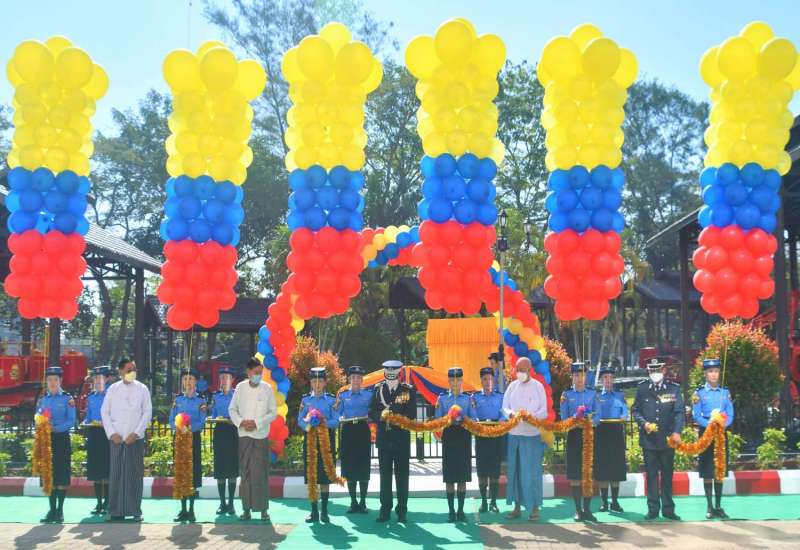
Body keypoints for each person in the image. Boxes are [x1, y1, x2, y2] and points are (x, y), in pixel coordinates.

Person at [632, 358, 684, 521]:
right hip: (649, 441)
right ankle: (653, 509)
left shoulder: (673, 388)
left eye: (657, 370)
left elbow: (679, 413)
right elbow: (635, 410)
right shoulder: (642, 388)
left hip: (668, 440)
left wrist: (677, 432)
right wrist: (644, 423)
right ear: (648, 371)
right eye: (651, 370)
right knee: (652, 476)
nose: (654, 373)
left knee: (667, 476)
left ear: (664, 370)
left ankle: (668, 509)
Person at [101, 358, 151, 522]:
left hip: (134, 439)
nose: (132, 372)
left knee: (134, 474)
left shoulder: (142, 389)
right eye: (129, 370)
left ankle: (135, 510)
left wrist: (136, 433)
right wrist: (112, 433)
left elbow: (147, 413)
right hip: (116, 438)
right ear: (121, 371)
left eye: (134, 369)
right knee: (115, 474)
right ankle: (115, 511)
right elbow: (104, 412)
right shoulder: (113, 389)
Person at [368, 359, 417, 523]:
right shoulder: (378, 389)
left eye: (393, 371)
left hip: (401, 439)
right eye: (388, 371)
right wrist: (381, 416)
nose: (390, 374)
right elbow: (371, 411)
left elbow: (411, 414)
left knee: (402, 477)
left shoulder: (407, 390)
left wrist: (395, 417)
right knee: (385, 476)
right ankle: (385, 510)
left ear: (399, 373)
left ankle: (402, 511)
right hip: (384, 440)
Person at [229, 357, 277, 522]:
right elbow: (232, 409)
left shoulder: (267, 388)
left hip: (260, 436)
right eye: (256, 372)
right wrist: (242, 422)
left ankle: (263, 510)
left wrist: (256, 423)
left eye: (260, 373)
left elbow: (273, 413)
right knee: (246, 473)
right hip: (244, 436)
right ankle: (246, 510)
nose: (258, 375)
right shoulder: (240, 388)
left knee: (260, 473)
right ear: (248, 372)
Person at [502, 357, 548, 521]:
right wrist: (511, 415)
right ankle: (516, 507)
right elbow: (504, 407)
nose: (519, 373)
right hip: (514, 435)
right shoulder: (512, 386)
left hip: (532, 436)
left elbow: (544, 411)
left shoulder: (538, 387)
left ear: (530, 370)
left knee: (532, 473)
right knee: (515, 472)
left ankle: (535, 508)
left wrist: (530, 417)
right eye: (517, 370)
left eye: (522, 370)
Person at [692, 358, 734, 520]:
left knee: (719, 470)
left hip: (720, 434)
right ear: (705, 374)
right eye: (710, 371)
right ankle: (709, 506)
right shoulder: (699, 394)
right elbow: (697, 416)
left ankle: (718, 505)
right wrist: (710, 425)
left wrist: (723, 424)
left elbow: (730, 414)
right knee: (707, 470)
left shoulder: (725, 393)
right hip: (706, 434)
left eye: (716, 371)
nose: (714, 374)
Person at [298, 367, 339, 523]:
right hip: (311, 441)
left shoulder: (331, 400)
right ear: (310, 383)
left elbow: (336, 420)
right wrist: (309, 425)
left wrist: (323, 423)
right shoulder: (305, 400)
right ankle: (314, 512)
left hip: (326, 441)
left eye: (320, 381)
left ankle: (325, 512)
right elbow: (300, 420)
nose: (317, 384)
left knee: (325, 477)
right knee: (312, 476)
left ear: (325, 382)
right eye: (314, 381)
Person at [434, 367, 476, 522]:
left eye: (458, 380)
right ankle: (451, 511)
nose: (455, 383)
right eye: (452, 380)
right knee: (450, 477)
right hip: (449, 438)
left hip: (463, 437)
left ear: (461, 381)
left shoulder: (468, 399)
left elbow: (474, 418)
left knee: (462, 477)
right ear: (449, 381)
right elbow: (437, 420)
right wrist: (448, 419)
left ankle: (460, 511)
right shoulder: (442, 398)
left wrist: (464, 418)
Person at [560, 362, 599, 521]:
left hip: (588, 435)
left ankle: (587, 509)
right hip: (574, 435)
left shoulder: (592, 393)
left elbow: (598, 415)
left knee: (588, 473)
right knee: (575, 473)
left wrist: (590, 421)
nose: (580, 378)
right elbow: (563, 417)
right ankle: (578, 510)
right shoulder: (566, 395)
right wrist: (574, 420)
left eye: (582, 375)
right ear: (572, 377)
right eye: (576, 375)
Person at [37, 366, 76, 523]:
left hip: (61, 440)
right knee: (49, 474)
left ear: (60, 381)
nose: (52, 382)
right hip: (47, 440)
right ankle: (51, 510)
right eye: (49, 380)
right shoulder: (44, 399)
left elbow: (71, 420)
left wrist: (56, 428)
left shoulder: (67, 399)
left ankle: (60, 510)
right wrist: (40, 421)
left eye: (55, 380)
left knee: (61, 474)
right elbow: (38, 414)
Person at [169, 367, 208, 523]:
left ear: (196, 382)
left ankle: (191, 510)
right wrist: (178, 426)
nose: (188, 382)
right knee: (181, 473)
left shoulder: (201, 401)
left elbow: (202, 421)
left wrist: (189, 428)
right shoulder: (178, 400)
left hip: (193, 439)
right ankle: (183, 509)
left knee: (192, 473)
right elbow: (171, 419)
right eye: (185, 379)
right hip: (180, 439)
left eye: (191, 379)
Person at [334, 365, 373, 514]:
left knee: (363, 464)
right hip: (348, 431)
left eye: (358, 378)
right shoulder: (343, 396)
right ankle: (353, 502)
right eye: (353, 377)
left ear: (362, 380)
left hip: (362, 430)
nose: (356, 380)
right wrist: (338, 415)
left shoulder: (368, 395)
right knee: (348, 466)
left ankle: (362, 502)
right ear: (349, 379)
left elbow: (373, 412)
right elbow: (337, 413)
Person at [595, 364, 628, 513]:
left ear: (613, 380)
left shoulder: (620, 395)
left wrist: (624, 416)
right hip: (601, 432)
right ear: (601, 380)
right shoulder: (596, 396)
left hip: (615, 432)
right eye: (605, 377)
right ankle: (604, 502)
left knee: (615, 467)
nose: (608, 380)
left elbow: (625, 412)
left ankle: (615, 501)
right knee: (603, 467)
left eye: (610, 377)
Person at [473, 366, 505, 514]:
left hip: (495, 434)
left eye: (491, 379)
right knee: (482, 470)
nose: (488, 382)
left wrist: (501, 421)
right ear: (481, 380)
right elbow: (473, 414)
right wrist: (477, 422)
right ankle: (484, 501)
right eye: (485, 379)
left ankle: (493, 502)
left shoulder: (500, 397)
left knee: (494, 470)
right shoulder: (475, 397)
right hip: (481, 435)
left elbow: (504, 413)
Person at [210, 366, 239, 515]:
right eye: (221, 377)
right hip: (220, 431)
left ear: (232, 380)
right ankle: (222, 503)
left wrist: (236, 420)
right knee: (220, 467)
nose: (224, 380)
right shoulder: (215, 396)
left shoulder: (237, 395)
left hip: (233, 431)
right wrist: (211, 417)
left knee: (232, 467)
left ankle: (231, 503)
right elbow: (213, 414)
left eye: (227, 377)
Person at [83, 365, 111, 515]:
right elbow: (88, 416)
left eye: (101, 378)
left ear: (107, 379)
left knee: (106, 471)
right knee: (95, 471)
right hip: (94, 433)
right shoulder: (91, 397)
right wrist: (86, 421)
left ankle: (107, 502)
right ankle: (98, 503)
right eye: (95, 378)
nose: (98, 381)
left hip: (107, 434)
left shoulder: (111, 395)